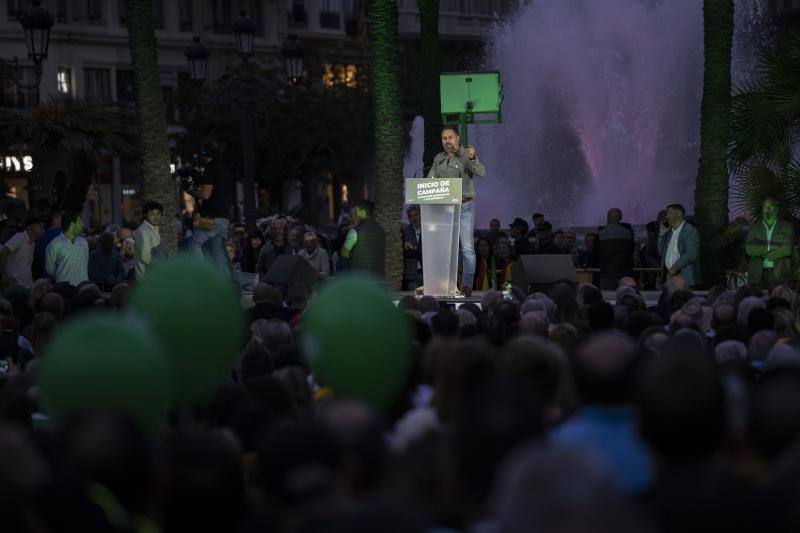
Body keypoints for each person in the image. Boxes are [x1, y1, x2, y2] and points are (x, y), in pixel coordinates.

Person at [426, 125, 486, 295]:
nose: (447, 141)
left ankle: (466, 284)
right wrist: (424, 186)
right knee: (446, 247)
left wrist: (473, 158)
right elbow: (430, 180)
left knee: (466, 247)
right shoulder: (439, 158)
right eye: (444, 139)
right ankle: (445, 283)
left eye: (450, 137)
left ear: (457, 138)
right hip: (446, 209)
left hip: (464, 207)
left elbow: (482, 172)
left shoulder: (466, 155)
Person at [186, 139, 234, 276]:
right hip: (224, 219)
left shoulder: (211, 168)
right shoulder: (225, 170)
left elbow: (205, 195)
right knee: (218, 252)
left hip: (211, 218)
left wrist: (191, 191)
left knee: (194, 244)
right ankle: (224, 285)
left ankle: (204, 277)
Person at [745, 197, 795, 288]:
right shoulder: (754, 227)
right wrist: (769, 247)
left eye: (770, 207)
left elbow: (787, 249)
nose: (767, 210)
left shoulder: (787, 226)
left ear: (777, 208)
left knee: (778, 300)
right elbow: (748, 248)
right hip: (757, 275)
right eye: (765, 207)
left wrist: (766, 254)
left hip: (779, 275)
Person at [658, 203, 701, 287]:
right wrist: (662, 234)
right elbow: (661, 252)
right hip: (670, 276)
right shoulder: (669, 232)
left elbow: (692, 254)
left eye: (669, 213)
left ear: (679, 214)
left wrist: (674, 268)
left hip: (684, 276)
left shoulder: (689, 230)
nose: (666, 216)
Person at [340, 200, 386, 278]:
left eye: (357, 212)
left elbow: (344, 254)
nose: (356, 215)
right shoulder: (380, 230)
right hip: (378, 277)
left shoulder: (354, 231)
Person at [44, 211, 89, 287]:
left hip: (83, 288)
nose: (82, 225)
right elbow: (50, 271)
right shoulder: (54, 245)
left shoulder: (84, 242)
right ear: (72, 225)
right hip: (64, 290)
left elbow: (86, 264)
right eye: (79, 222)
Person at [0, 217, 45, 289]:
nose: (43, 228)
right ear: (32, 226)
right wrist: (4, 276)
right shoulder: (19, 237)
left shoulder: (32, 243)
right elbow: (3, 253)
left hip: (27, 284)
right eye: (39, 225)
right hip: (16, 285)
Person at [596, 208, 634, 290]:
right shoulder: (628, 233)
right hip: (625, 274)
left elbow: (595, 255)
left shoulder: (600, 234)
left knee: (606, 298)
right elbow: (631, 252)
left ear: (607, 218)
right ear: (620, 218)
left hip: (606, 275)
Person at [133, 201, 164, 282]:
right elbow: (145, 257)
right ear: (145, 215)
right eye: (152, 214)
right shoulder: (144, 231)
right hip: (147, 279)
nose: (156, 217)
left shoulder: (153, 228)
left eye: (158, 213)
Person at [402, 205, 423, 290]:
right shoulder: (405, 231)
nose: (414, 218)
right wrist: (404, 243)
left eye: (416, 215)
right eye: (411, 216)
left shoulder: (427, 229)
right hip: (412, 274)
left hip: (427, 274)